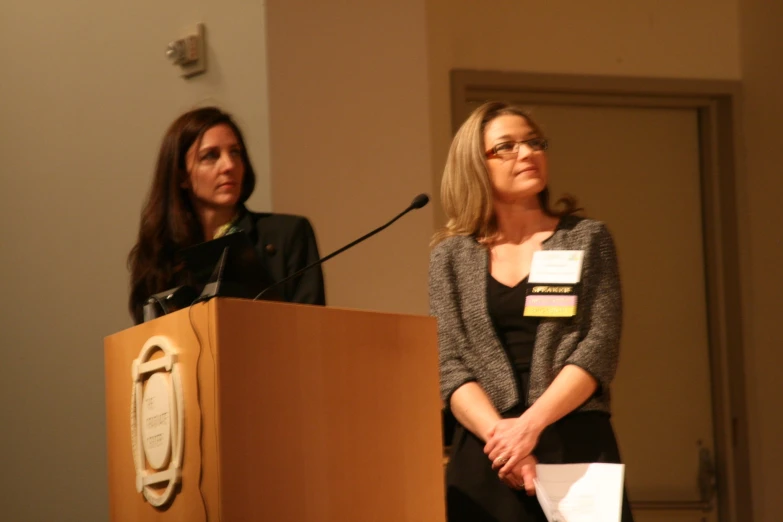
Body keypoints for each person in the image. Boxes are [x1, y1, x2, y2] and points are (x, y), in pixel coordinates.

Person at [429, 101, 634, 521]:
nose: (526, 154)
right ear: (476, 165)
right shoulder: (450, 257)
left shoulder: (586, 238)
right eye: (506, 147)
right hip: (488, 451)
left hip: (572, 438)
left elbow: (598, 347)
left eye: (534, 143)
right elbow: (449, 364)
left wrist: (529, 426)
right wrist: (503, 439)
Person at [128, 106, 325, 324]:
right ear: (181, 175)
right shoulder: (160, 253)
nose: (229, 165)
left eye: (235, 152)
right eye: (210, 156)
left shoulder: (287, 234)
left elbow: (312, 330)